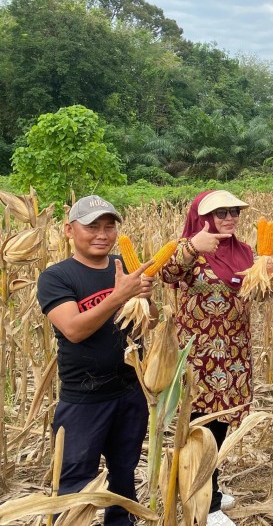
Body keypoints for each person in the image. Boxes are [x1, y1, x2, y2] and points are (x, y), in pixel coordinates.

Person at [37, 195, 154, 526]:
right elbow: (73, 330)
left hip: (131, 392)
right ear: (69, 231)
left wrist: (145, 299)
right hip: (84, 399)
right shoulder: (57, 277)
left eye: (109, 226)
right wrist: (119, 295)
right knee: (76, 483)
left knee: (124, 475)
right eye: (92, 227)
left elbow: (149, 321)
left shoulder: (125, 267)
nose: (102, 234)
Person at [163, 190, 258, 526]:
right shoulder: (189, 248)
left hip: (233, 355)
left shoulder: (244, 251)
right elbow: (166, 274)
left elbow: (259, 289)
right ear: (203, 218)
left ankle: (210, 487)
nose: (230, 217)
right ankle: (207, 503)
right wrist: (191, 248)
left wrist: (272, 271)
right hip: (200, 359)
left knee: (219, 426)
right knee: (201, 427)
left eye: (234, 211)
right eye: (221, 213)